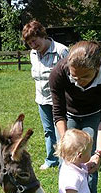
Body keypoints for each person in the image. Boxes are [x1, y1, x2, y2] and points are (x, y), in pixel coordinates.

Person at [49, 40, 101, 193]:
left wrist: (98, 153)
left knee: (88, 164)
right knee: (66, 163)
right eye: (74, 77)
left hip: (94, 115)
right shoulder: (59, 72)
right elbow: (58, 113)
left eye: (84, 77)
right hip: (69, 114)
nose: (78, 82)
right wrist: (66, 141)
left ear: (97, 67)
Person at [22, 20, 69, 170]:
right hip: (41, 99)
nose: (33, 46)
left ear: (42, 35)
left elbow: (70, 77)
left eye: (34, 41)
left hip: (59, 99)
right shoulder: (33, 54)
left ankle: (65, 160)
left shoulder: (61, 51)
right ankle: (51, 160)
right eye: (30, 43)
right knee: (48, 131)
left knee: (61, 131)